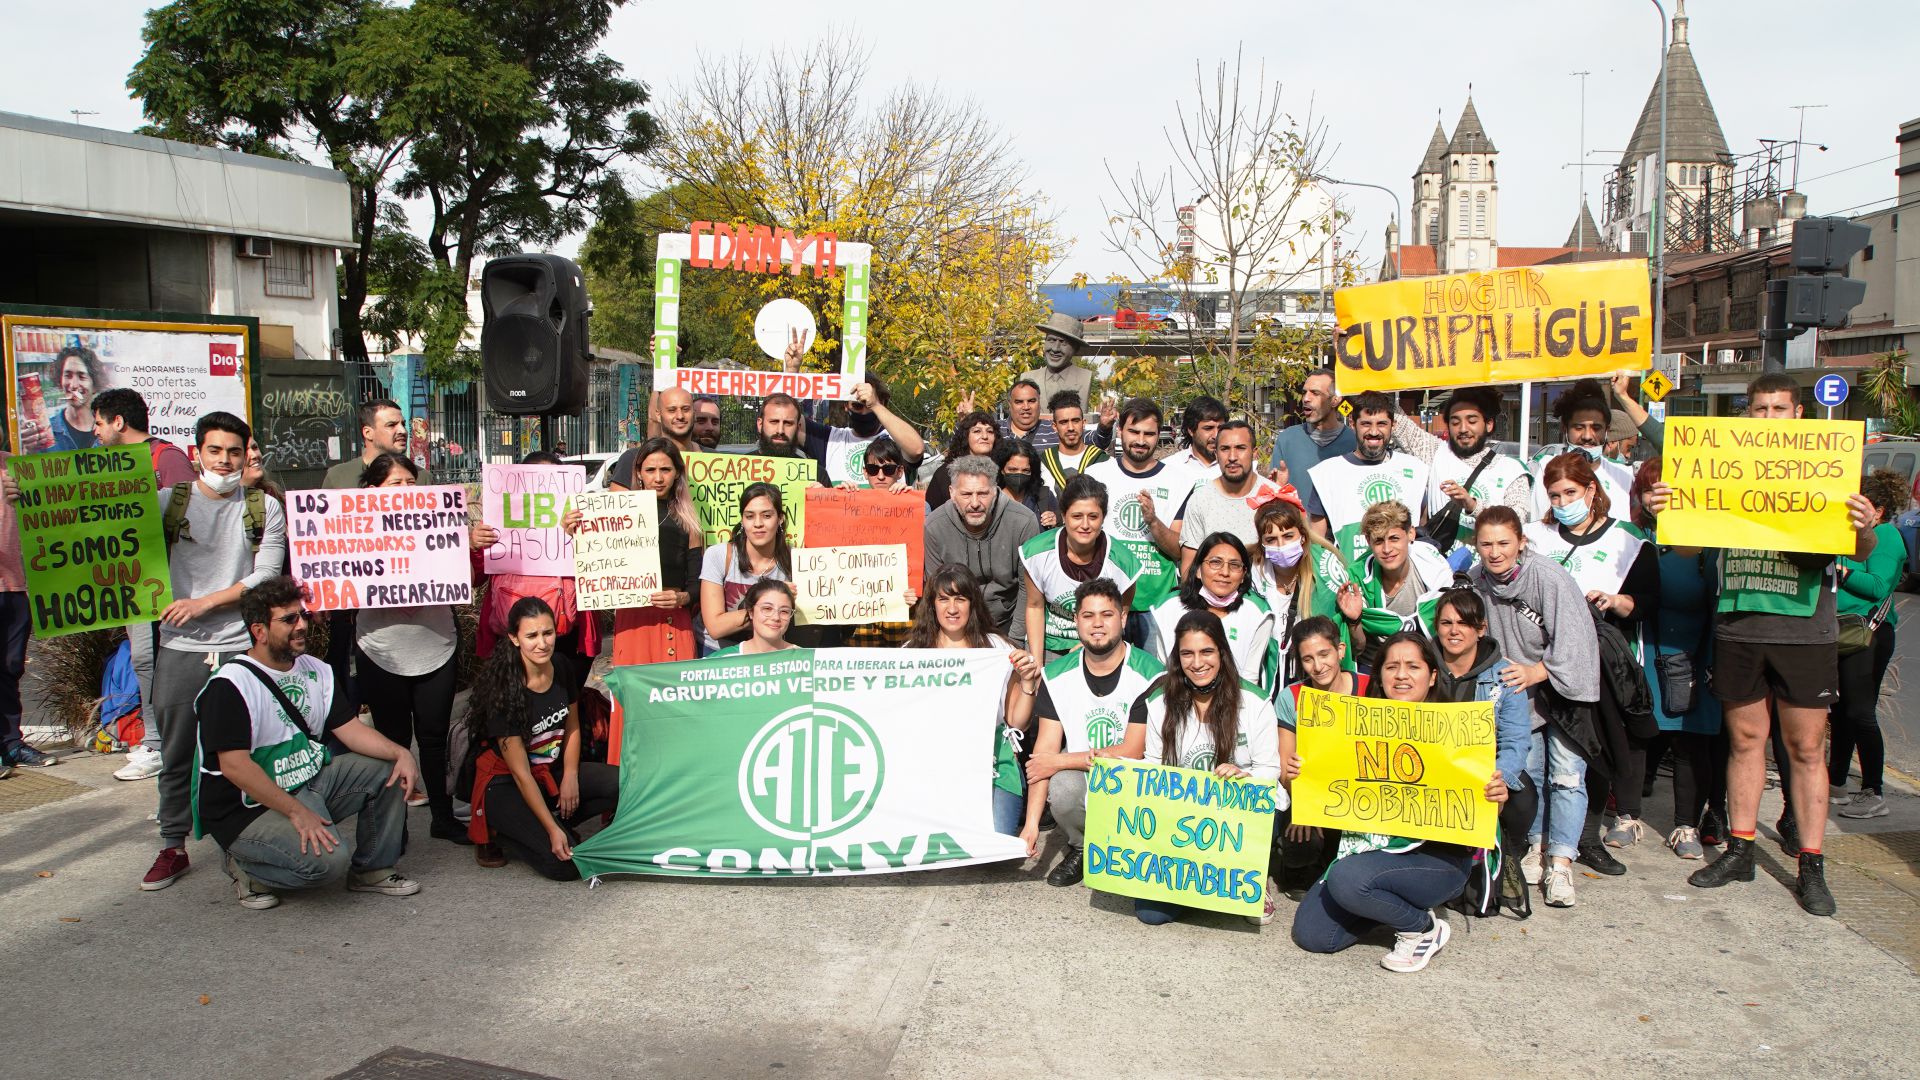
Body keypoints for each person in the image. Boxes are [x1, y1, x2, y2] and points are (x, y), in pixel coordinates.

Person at [1651, 375, 1880, 916]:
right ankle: (1741, 850)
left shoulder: (1825, 466)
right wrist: (1667, 512)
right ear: (1746, 414)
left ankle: (1811, 864)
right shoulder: (1725, 467)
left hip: (1805, 630)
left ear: (1798, 415)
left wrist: (1866, 525)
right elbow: (1687, 547)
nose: (1769, 417)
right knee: (1745, 741)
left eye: (1779, 408)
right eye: (1759, 408)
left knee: (1805, 749)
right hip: (1740, 625)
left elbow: (1861, 548)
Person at [121, 411, 290, 892]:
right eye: (215, 450)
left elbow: (266, 573)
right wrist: (26, 499)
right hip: (180, 647)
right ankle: (172, 845)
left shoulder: (263, 507)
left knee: (245, 752)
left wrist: (204, 603)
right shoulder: (166, 504)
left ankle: (244, 846)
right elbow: (109, 539)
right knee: (176, 751)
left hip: (240, 646)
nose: (225, 461)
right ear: (197, 454)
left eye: (235, 451)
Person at [193, 576, 423, 909]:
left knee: (390, 767)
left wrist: (401, 753)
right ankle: (244, 865)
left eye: (301, 615)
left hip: (306, 781)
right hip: (247, 808)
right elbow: (235, 766)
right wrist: (297, 812)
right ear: (259, 631)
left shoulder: (317, 670)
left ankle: (373, 869)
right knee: (327, 865)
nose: (302, 625)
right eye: (289, 619)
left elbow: (349, 729)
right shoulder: (230, 685)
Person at [1289, 632, 1509, 972]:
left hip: (1437, 860)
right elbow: (1328, 784)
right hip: (1370, 852)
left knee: (1346, 879)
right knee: (1313, 935)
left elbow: (1483, 809)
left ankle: (1421, 928)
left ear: (1432, 676)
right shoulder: (1354, 725)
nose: (1401, 675)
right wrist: (1303, 774)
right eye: (1391, 667)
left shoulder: (1459, 729)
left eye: (1412, 666)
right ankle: (1383, 901)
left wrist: (1497, 796)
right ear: (1380, 676)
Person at [1527, 451, 1657, 869]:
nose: (1563, 503)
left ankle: (1587, 838)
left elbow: (1648, 602)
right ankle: (1538, 840)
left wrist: (1616, 601)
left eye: (1570, 493)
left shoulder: (1628, 540)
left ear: (1591, 489)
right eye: (1555, 495)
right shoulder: (1536, 537)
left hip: (1598, 662)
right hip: (1540, 659)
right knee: (1541, 758)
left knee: (1593, 749)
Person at [1466, 506, 1599, 909]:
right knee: (1532, 775)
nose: (1495, 552)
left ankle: (1561, 863)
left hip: (1563, 690)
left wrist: (1537, 671)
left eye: (1503, 542)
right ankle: (1536, 848)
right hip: (1518, 691)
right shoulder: (1476, 580)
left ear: (1521, 542)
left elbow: (1576, 642)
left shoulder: (1549, 578)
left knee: (1566, 776)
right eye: (1486, 544)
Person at [353, 452, 487, 843]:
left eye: (411, 483)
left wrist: (467, 545)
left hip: (436, 647)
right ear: (372, 490)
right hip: (380, 650)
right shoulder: (355, 532)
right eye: (395, 484)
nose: (405, 491)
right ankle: (393, 827)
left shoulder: (442, 524)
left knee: (433, 738)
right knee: (392, 741)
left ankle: (442, 818)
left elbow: (469, 580)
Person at [1134, 611, 1285, 926]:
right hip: (1184, 819)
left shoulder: (1254, 702)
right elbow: (1152, 764)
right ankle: (1201, 882)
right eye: (1187, 653)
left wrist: (1245, 777)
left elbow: (1270, 768)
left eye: (1206, 652)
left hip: (1238, 815)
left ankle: (1254, 874)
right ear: (1177, 658)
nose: (1197, 662)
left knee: (1270, 804)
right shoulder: (1160, 702)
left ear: (1222, 652)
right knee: (1151, 914)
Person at [1019, 579, 1164, 884]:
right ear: (1076, 620)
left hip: (1139, 779)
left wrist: (1059, 761)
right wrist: (1031, 826)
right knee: (1063, 787)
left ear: (1122, 617)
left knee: (1062, 768)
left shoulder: (1151, 673)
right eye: (1088, 615)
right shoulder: (1055, 675)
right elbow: (1044, 753)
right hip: (1088, 775)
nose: (1097, 624)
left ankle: (1130, 847)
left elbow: (1132, 750)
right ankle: (1083, 846)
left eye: (1107, 615)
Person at [463, 596, 620, 879]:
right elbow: (521, 774)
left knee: (626, 783)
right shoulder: (504, 691)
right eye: (531, 636)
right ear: (514, 638)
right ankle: (503, 831)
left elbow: (572, 726)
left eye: (548, 633)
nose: (542, 643)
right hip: (507, 783)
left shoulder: (561, 665)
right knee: (567, 866)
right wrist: (551, 830)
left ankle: (555, 820)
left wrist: (570, 775)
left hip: (551, 769)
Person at [1629, 457, 1724, 860]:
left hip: (1695, 655)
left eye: (1666, 488)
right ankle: (1627, 816)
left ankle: (1688, 823)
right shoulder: (1634, 538)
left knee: (1691, 742)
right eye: (1650, 490)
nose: (1659, 497)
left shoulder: (1709, 544)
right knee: (1637, 737)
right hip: (1646, 651)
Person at [903, 564, 1043, 836]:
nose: (952, 608)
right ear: (932, 605)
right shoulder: (912, 653)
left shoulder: (998, 648)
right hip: (931, 768)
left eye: (960, 599)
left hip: (992, 766)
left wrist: (1027, 683)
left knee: (995, 843)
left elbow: (1018, 722)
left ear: (972, 604)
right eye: (943, 599)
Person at [1430, 587, 1540, 911]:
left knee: (1522, 794)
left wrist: (1498, 778)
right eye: (1446, 622)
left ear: (1481, 629)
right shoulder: (1421, 664)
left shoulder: (1504, 675)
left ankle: (1502, 852)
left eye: (1464, 623)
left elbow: (1515, 741)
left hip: (1479, 773)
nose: (1454, 630)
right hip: (1432, 772)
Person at [1083, 398, 1198, 642]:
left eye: (1149, 434)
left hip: (1157, 605)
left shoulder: (1179, 482)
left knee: (1156, 668)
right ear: (1120, 430)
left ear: (1159, 435)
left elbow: (1179, 550)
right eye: (1134, 432)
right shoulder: (1096, 476)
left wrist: (1153, 522)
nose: (1141, 440)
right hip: (1105, 603)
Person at [1829, 468, 1907, 821]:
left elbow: (1877, 586)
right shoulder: (1848, 533)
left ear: (1878, 510)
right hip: (1842, 629)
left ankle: (1873, 791)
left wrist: (1840, 572)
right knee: (1840, 711)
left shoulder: (1887, 536)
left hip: (1868, 633)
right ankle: (1836, 783)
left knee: (1859, 712)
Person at [1384, 385, 1531, 554]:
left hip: (1491, 567)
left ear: (1489, 424)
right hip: (1442, 565)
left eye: (1472, 421)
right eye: (1455, 422)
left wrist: (1472, 505)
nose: (1463, 429)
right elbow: (1396, 416)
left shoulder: (1511, 470)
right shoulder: (1435, 453)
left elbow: (1517, 521)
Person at [602, 437, 705, 670]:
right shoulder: (618, 515)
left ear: (677, 473)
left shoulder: (688, 522)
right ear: (639, 473)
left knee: (675, 689)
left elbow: (697, 582)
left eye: (665, 470)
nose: (658, 478)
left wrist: (682, 598)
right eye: (650, 470)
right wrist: (575, 529)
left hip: (673, 618)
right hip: (632, 619)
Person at [1020, 475, 1144, 661]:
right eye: (1077, 516)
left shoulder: (1123, 563)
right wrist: (1036, 663)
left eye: (1093, 517)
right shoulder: (1037, 552)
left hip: (1099, 643)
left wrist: (1089, 645)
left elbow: (1119, 617)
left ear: (1103, 517)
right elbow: (1034, 606)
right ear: (1063, 516)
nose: (1085, 525)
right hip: (1049, 643)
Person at [923, 456, 1040, 646]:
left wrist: (1015, 641)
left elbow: (1028, 589)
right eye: (966, 494)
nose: (975, 503)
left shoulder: (1023, 521)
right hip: (958, 625)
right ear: (952, 493)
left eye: (983, 494)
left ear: (995, 490)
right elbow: (936, 589)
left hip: (1010, 621)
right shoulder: (935, 525)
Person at [1307, 391, 1430, 565]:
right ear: (1352, 423)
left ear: (1393, 425)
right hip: (1350, 578)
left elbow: (1422, 528)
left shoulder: (1415, 469)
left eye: (1382, 424)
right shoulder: (1327, 474)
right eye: (1366, 424)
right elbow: (1316, 544)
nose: (1374, 431)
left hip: (1406, 577)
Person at [1249, 499, 1360, 689]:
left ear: (1302, 536)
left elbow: (1357, 646)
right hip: (1265, 677)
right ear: (1262, 543)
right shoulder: (1251, 575)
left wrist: (1353, 620)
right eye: (1271, 539)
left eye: (1288, 536)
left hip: (1314, 678)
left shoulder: (1326, 570)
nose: (1281, 545)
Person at [1149, 533, 1276, 695]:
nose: (1225, 572)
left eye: (1234, 565)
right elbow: (1164, 673)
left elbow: (1250, 679)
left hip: (1232, 701)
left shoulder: (1257, 613)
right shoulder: (1169, 608)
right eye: (1215, 562)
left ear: (1244, 574)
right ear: (1198, 570)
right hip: (1179, 698)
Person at [1348, 501, 1452, 672]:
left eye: (1394, 538)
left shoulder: (1434, 567)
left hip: (1425, 661)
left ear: (1411, 533)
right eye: (1379, 541)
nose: (1387, 549)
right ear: (1368, 541)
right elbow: (1357, 648)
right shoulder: (1355, 578)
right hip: (1374, 665)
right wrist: (1354, 621)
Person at [1177, 420, 1283, 575]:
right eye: (1225, 449)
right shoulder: (1200, 500)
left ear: (1254, 453)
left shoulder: (1274, 496)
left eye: (1240, 448)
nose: (1232, 457)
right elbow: (1189, 567)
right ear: (1216, 454)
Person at [699, 482, 795, 653]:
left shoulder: (795, 560)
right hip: (716, 651)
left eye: (767, 516)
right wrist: (771, 599)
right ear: (742, 520)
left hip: (769, 652)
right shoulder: (718, 555)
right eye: (749, 516)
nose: (758, 523)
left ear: (780, 519)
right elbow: (715, 627)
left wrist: (837, 499)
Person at [1527, 378, 1630, 517]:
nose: (1587, 436)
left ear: (1607, 430)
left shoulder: (1623, 475)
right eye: (1579, 427)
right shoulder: (1543, 469)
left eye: (1596, 428)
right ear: (1565, 428)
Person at [1269, 368, 1355, 510]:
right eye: (1304, 392)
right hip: (1297, 523)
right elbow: (1273, 494)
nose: (1306, 399)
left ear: (1335, 400)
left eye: (1315, 393)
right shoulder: (1287, 439)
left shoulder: (1354, 442)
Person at [0, 445, 33, 773]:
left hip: (15, 586)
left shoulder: (17, 466)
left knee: (11, 668)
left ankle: (11, 742)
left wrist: (28, 498)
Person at [91, 387, 197, 487]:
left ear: (118, 422)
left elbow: (187, 499)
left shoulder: (168, 457)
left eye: (100, 424)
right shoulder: (115, 464)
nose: (96, 432)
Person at [324, 399, 429, 488]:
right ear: (368, 433)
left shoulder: (423, 478)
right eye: (391, 425)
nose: (403, 431)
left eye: (403, 424)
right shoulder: (338, 477)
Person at [1019, 313, 1095, 422]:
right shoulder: (1027, 378)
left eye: (1063, 343)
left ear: (1076, 349)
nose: (1055, 349)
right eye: (1051, 340)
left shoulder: (1084, 377)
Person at [926, 410, 1004, 510]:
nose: (985, 436)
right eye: (977, 431)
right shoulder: (946, 474)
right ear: (966, 436)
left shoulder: (1003, 471)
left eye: (990, 431)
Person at [1037, 391, 1108, 496]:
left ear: (1083, 423)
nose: (1070, 428)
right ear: (1054, 426)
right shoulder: (1042, 463)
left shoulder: (1102, 461)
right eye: (1064, 422)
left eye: (1075, 421)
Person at [709, 579, 801, 657]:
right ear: (751, 612)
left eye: (784, 611)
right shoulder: (722, 660)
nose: (776, 617)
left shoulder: (805, 659)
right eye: (767, 609)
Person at [43, 344, 107, 450]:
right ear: (60, 381)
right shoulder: (47, 432)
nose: (73, 385)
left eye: (82, 376)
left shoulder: (110, 431)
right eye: (68, 376)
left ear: (95, 385)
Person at [994, 439, 1058, 528]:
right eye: (1013, 469)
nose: (1019, 474)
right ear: (1002, 470)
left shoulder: (1044, 496)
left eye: (1025, 470)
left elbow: (1061, 531)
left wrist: (1055, 524)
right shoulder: (991, 500)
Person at [1165, 395, 1228, 476]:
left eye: (1221, 428)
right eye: (1208, 428)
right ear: (1191, 430)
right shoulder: (1170, 468)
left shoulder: (1237, 466)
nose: (1216, 435)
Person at [999, 379, 1058, 450]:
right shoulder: (994, 430)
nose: (1026, 407)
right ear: (1010, 404)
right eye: (1019, 402)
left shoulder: (1055, 430)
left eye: (1031, 401)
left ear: (1039, 403)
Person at [646, 386, 698, 455]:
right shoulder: (636, 457)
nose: (680, 416)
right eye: (672, 410)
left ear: (694, 413)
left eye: (685, 409)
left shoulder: (711, 456)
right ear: (658, 415)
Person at [754, 393, 806, 459]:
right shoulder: (741, 464)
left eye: (788, 423)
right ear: (760, 425)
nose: (780, 431)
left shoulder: (811, 466)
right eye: (774, 422)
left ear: (798, 428)